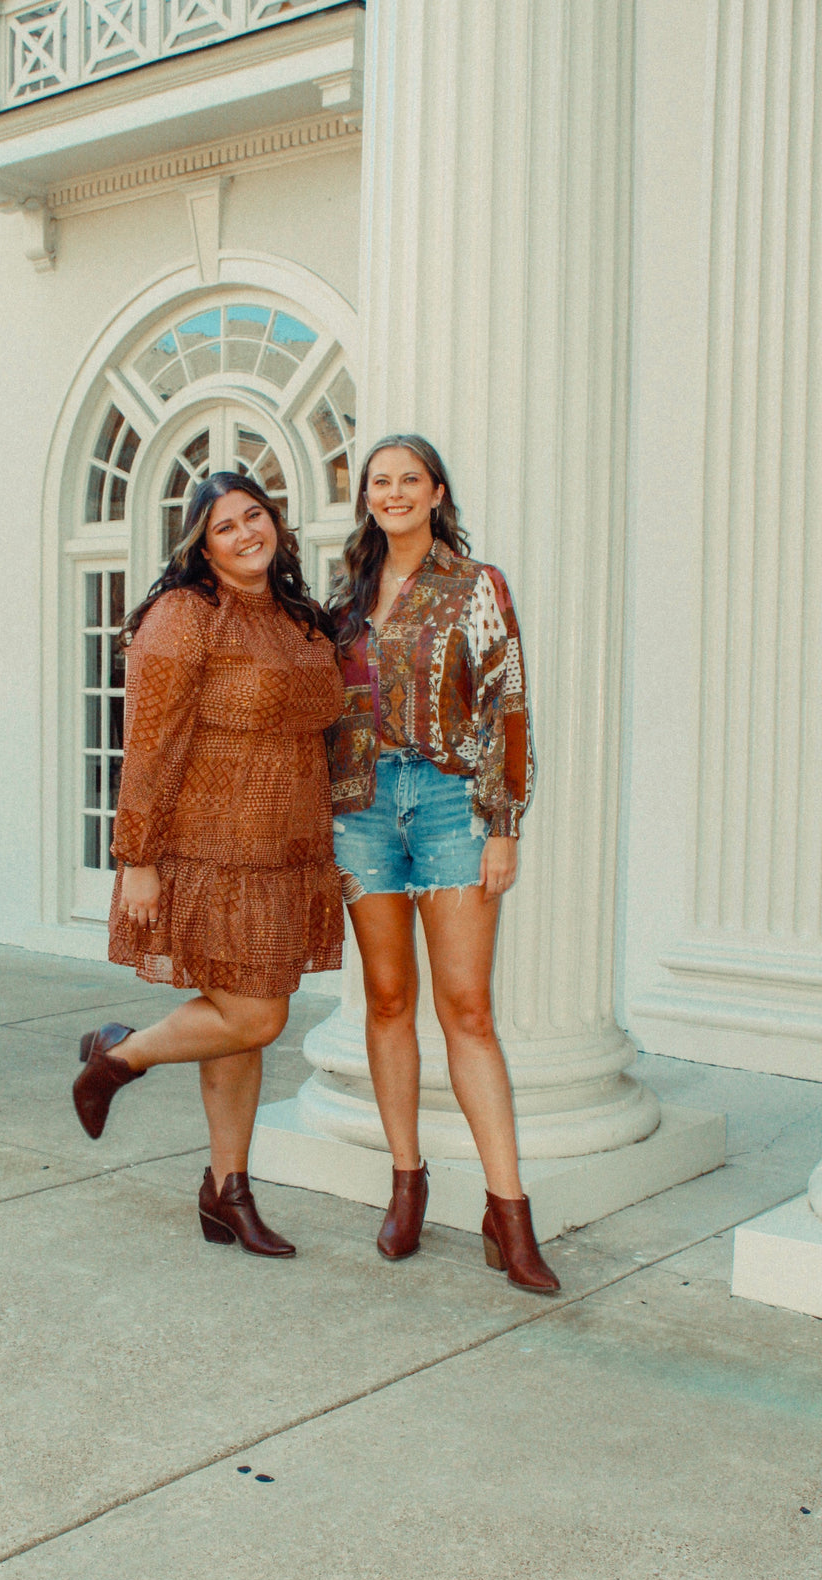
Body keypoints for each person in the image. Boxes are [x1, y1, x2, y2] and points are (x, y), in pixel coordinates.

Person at [73, 471, 344, 1258]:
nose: (245, 533)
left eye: (253, 516)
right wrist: (139, 859)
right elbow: (150, 744)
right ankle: (117, 1055)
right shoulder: (184, 615)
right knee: (258, 1014)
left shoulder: (300, 618)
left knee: (242, 1028)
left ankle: (228, 1192)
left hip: (286, 853)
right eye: (225, 527)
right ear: (202, 544)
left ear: (275, 523)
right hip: (210, 848)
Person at [327, 434, 560, 1293]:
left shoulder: (475, 585)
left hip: (451, 804)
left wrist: (505, 822)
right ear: (369, 499)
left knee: (468, 1010)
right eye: (379, 482)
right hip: (360, 810)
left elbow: (508, 697)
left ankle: (509, 1215)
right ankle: (406, 1184)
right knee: (388, 999)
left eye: (407, 481)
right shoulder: (344, 598)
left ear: (435, 492)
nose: (392, 493)